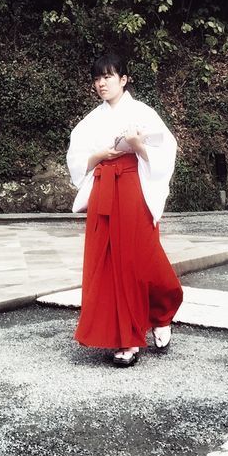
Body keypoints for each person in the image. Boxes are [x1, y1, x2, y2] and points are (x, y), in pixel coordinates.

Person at [66, 49, 183, 366]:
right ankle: (126, 339)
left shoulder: (143, 113)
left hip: (132, 187)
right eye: (97, 78)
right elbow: (78, 162)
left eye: (107, 76)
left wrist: (137, 145)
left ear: (123, 79)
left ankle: (161, 312)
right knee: (106, 264)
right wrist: (101, 154)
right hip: (105, 187)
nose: (101, 83)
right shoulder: (90, 122)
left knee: (139, 258)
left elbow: (164, 153)